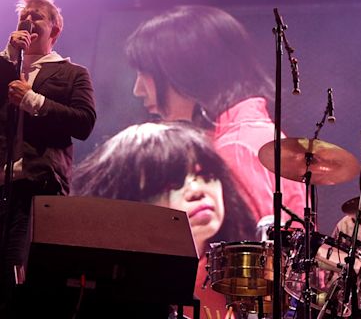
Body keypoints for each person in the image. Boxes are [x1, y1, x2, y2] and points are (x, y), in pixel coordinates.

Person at [124, 5, 306, 228]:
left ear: (187, 73)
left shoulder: (237, 149)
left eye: (146, 74)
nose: (138, 90)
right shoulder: (254, 136)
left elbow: (242, 258)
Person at [72, 122, 257, 318]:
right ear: (129, 200)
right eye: (173, 183)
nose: (197, 191)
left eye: (206, 175)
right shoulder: (101, 292)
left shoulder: (246, 275)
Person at [0, 0, 96, 317]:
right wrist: (9, 55)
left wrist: (33, 100)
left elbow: (84, 122)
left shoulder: (72, 74)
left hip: (36, 188)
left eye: (37, 17)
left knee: (17, 277)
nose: (28, 21)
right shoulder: (6, 67)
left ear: (54, 32)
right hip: (1, 186)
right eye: (23, 16)